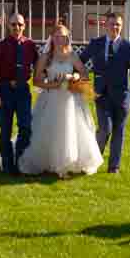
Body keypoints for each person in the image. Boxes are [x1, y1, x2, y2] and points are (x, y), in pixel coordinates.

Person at [18, 24, 103, 177]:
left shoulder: (72, 55)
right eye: (56, 36)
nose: (59, 39)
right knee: (49, 130)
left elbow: (84, 74)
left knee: (70, 129)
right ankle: (49, 161)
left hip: (70, 99)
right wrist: (54, 84)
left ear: (67, 38)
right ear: (52, 38)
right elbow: (36, 81)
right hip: (51, 98)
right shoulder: (46, 57)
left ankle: (68, 162)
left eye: (63, 36)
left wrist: (75, 77)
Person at [79, 11, 130, 174]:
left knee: (118, 132)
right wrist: (76, 79)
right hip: (101, 95)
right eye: (112, 24)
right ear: (105, 25)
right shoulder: (96, 43)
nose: (114, 27)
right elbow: (79, 62)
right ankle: (94, 160)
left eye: (118, 25)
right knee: (104, 129)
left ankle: (113, 167)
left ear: (121, 27)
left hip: (122, 97)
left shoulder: (128, 47)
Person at [0, 13, 39, 174]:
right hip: (4, 91)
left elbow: (39, 66)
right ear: (8, 26)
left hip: (23, 91)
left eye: (20, 24)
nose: (17, 27)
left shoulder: (30, 45)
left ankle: (20, 162)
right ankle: (8, 166)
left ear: (25, 26)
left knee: (26, 127)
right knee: (6, 130)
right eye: (13, 24)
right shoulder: (1, 46)